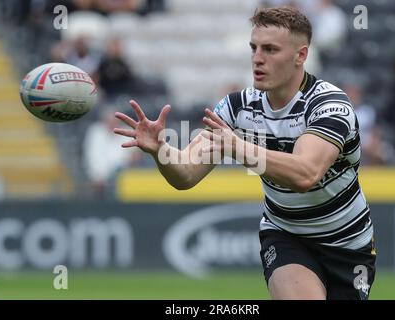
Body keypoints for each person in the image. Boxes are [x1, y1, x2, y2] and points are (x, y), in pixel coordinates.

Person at [113, 6, 376, 300]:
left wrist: (238, 146)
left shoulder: (329, 105)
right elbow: (186, 174)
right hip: (287, 235)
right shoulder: (238, 107)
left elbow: (305, 174)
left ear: (300, 55)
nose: (257, 58)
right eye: (254, 48)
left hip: (348, 246)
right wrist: (160, 150)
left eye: (270, 49)